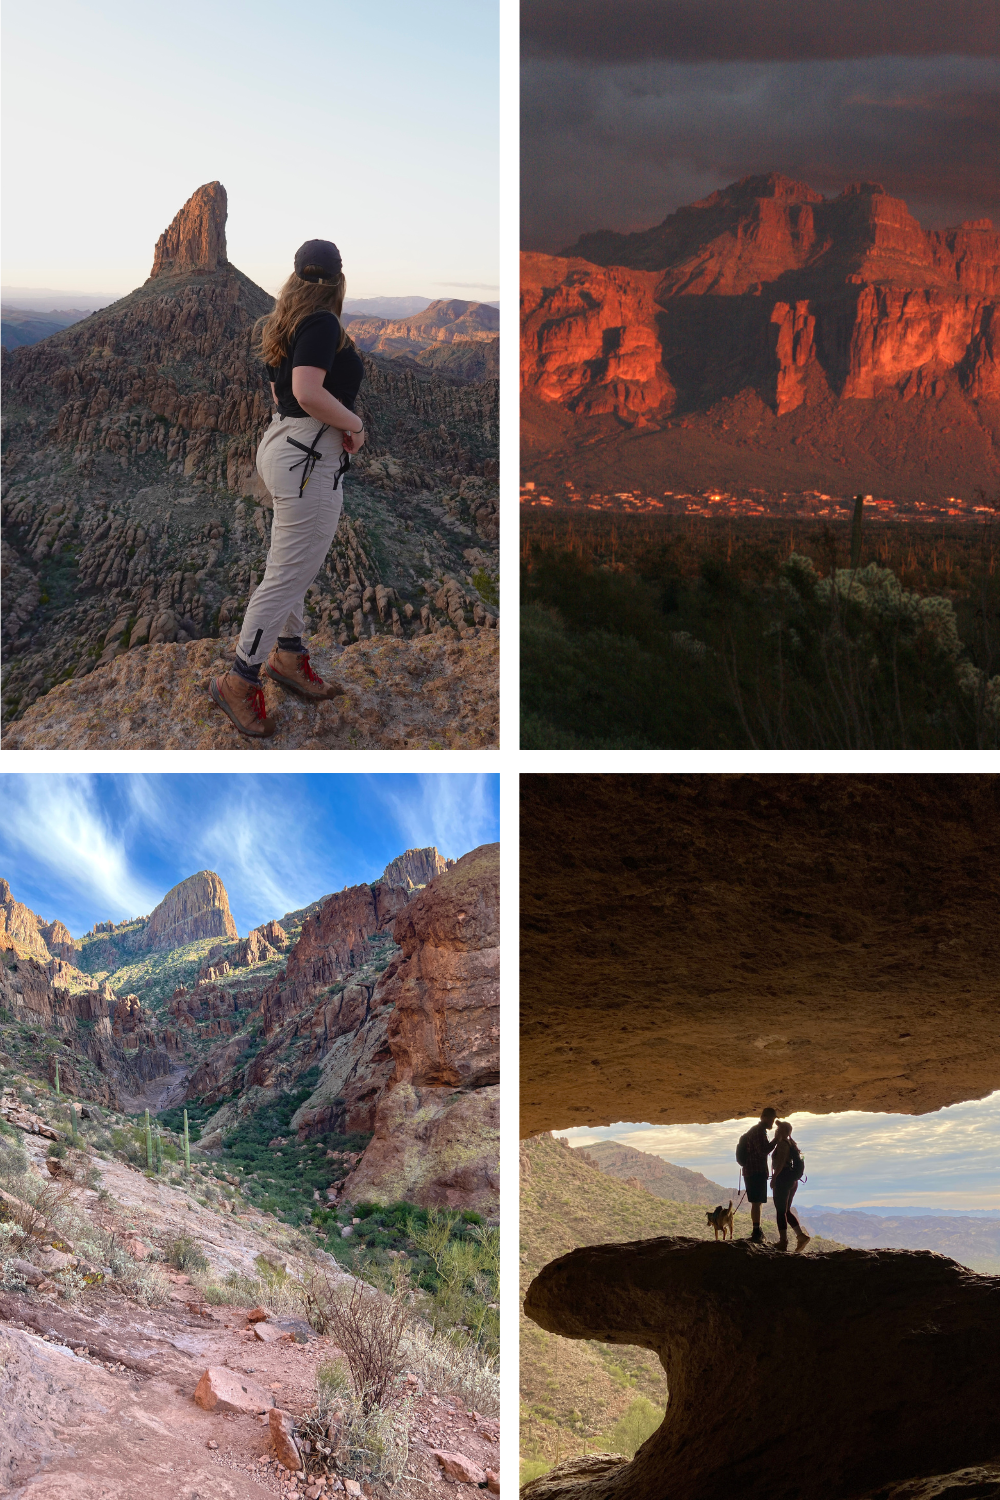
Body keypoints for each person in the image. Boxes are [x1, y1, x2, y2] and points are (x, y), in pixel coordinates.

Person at [209, 238, 367, 738]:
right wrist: (355, 425)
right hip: (309, 459)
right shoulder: (322, 323)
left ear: (297, 278)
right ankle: (239, 681)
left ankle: (289, 656)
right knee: (285, 573)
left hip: (282, 445)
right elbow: (305, 390)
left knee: (291, 563)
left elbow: (282, 392)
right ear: (338, 280)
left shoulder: (285, 323)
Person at [770, 1119, 811, 1252]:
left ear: (781, 1131)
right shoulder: (790, 1144)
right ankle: (800, 1236)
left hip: (783, 1179)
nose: (775, 1131)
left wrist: (774, 1178)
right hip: (792, 1181)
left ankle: (783, 1242)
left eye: (777, 1129)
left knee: (781, 1211)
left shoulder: (782, 1144)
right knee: (786, 1210)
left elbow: (781, 1163)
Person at [739, 1107, 777, 1244]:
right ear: (765, 1117)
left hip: (752, 1172)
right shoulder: (758, 1132)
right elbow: (763, 1151)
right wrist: (776, 1140)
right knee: (756, 1202)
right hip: (755, 1172)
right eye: (772, 1119)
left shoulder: (757, 1131)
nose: (773, 1122)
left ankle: (757, 1230)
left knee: (757, 1202)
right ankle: (756, 1233)